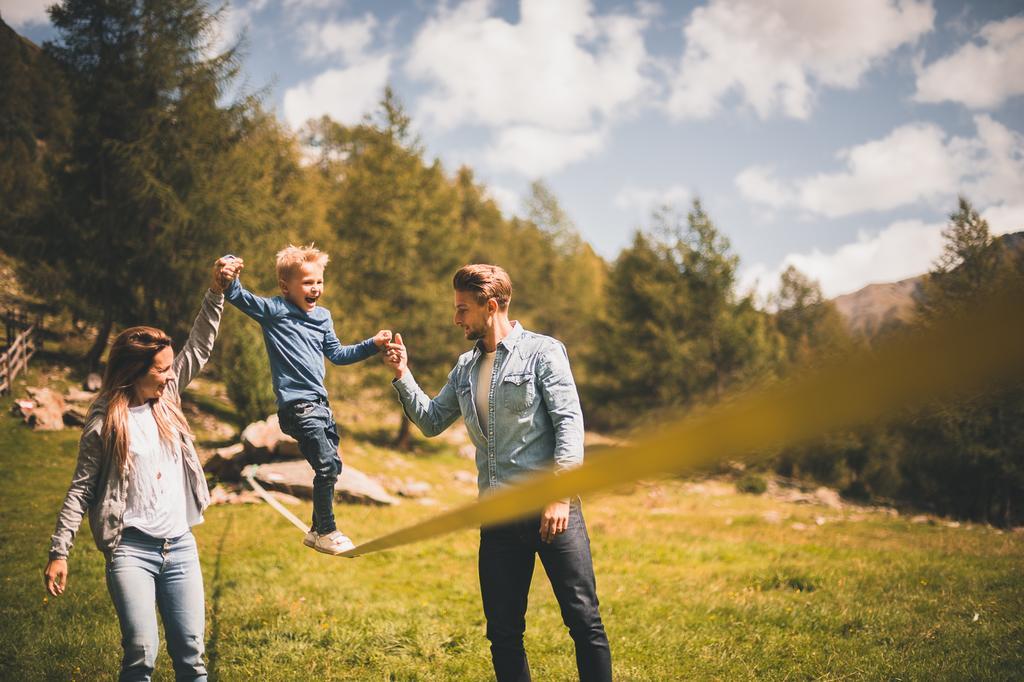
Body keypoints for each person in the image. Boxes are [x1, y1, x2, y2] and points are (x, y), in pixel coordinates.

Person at [383, 264, 612, 682]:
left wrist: (560, 498)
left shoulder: (544, 352)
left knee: (583, 622)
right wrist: (403, 374)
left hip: (553, 513)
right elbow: (433, 421)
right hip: (498, 518)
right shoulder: (465, 368)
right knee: (504, 634)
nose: (456, 319)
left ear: (490, 306)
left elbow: (569, 425)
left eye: (462, 309)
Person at [44, 257, 240, 681]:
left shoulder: (167, 398)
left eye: (172, 368)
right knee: (141, 651)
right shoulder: (104, 423)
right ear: (135, 372)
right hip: (131, 550)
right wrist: (60, 551)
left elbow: (200, 347)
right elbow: (80, 491)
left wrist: (217, 292)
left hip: (180, 547)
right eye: (162, 369)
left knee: (192, 654)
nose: (171, 376)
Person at [221, 244, 391, 554]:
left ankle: (316, 530)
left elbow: (338, 355)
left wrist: (373, 344)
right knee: (326, 467)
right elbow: (237, 296)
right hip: (298, 408)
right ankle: (326, 530)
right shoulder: (275, 310)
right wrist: (229, 272)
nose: (316, 289)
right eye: (308, 283)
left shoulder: (323, 317)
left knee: (333, 467)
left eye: (319, 282)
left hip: (321, 407)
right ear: (286, 287)